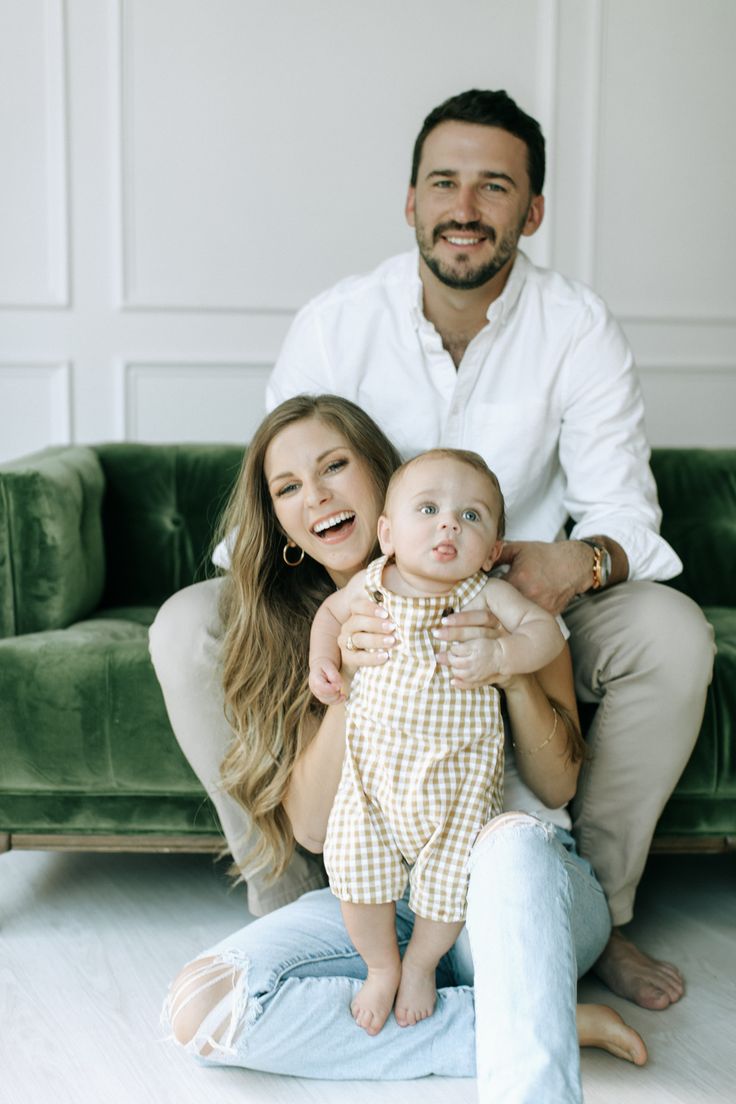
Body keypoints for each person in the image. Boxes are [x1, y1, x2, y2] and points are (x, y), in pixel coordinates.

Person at [150, 88, 715, 1009]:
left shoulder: (576, 329)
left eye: (494, 187)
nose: (464, 207)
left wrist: (579, 564)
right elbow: (287, 481)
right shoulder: (339, 320)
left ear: (530, 211)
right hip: (350, 582)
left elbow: (624, 515)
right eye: (443, 183)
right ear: (409, 200)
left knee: (675, 633)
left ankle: (598, 915)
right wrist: (342, 608)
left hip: (518, 587)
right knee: (184, 626)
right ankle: (293, 900)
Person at [162, 395, 647, 1102]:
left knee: (508, 846)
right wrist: (348, 682)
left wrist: (509, 671)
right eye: (289, 487)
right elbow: (314, 830)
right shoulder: (310, 627)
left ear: (384, 482)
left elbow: (558, 786)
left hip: (516, 893)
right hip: (384, 905)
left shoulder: (503, 595)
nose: (317, 494)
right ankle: (536, 1023)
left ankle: (526, 1044)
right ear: (285, 524)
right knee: (205, 1007)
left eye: (334, 466)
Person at [310, 448, 565, 1033]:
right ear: (387, 532)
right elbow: (327, 614)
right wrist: (322, 663)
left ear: (494, 549)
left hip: (459, 782)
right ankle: (381, 966)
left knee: (451, 881)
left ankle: (421, 963)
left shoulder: (484, 594)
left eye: (472, 516)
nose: (449, 523)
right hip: (374, 780)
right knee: (354, 865)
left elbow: (544, 632)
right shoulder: (369, 585)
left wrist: (502, 653)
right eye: (428, 509)